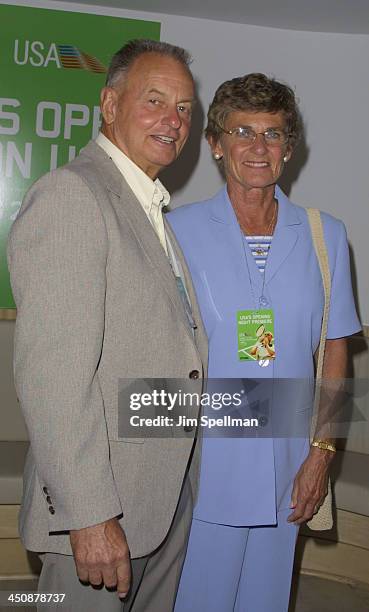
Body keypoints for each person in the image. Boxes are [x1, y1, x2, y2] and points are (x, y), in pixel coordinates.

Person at [7, 39, 207, 612]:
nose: (173, 120)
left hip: (160, 502)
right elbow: (54, 380)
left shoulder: (147, 207)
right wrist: (90, 515)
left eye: (185, 107)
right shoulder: (74, 195)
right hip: (100, 516)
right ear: (109, 104)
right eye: (155, 100)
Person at [168, 73, 361, 611]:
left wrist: (321, 455)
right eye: (242, 131)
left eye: (273, 134)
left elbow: (336, 350)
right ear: (215, 145)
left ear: (289, 149)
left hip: (289, 464)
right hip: (203, 467)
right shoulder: (174, 231)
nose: (258, 147)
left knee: (266, 601)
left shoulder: (327, 236)